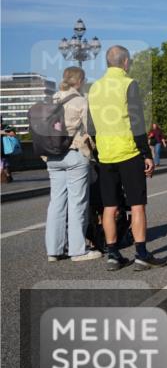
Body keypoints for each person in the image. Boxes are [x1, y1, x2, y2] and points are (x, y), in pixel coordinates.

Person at [86, 45, 167, 271]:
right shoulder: (128, 84)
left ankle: (112, 254)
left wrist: (99, 150)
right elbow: (137, 121)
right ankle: (141, 254)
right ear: (125, 62)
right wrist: (146, 153)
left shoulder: (94, 88)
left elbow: (90, 126)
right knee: (137, 205)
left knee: (109, 207)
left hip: (105, 155)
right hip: (128, 152)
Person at [43, 66, 102, 263]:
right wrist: (93, 151)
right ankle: (77, 250)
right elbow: (90, 129)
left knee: (56, 203)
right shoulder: (80, 101)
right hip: (75, 153)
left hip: (52, 156)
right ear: (80, 81)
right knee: (77, 203)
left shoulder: (52, 99)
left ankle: (54, 250)